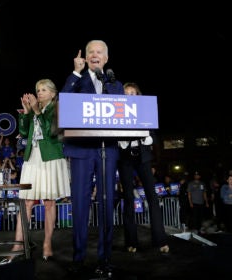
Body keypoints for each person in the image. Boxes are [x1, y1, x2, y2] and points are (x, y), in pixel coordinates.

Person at [61, 40, 124, 273]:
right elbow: (64, 101)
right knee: (80, 204)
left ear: (106, 59)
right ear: (85, 57)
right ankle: (78, 258)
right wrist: (75, 72)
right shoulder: (77, 80)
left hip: (108, 150)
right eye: (91, 52)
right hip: (81, 149)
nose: (95, 55)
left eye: (99, 52)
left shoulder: (115, 84)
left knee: (107, 202)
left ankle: (104, 257)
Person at [0, 79, 71, 265]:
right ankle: (18, 245)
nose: (39, 93)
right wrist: (26, 112)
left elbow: (51, 131)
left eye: (44, 90)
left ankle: (47, 244)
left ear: (53, 94)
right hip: (33, 158)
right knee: (27, 202)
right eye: (38, 90)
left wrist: (37, 112)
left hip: (51, 158)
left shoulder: (57, 108)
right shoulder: (35, 109)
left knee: (48, 202)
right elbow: (24, 132)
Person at [118, 82, 169, 255]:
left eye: (133, 93)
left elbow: (152, 136)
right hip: (125, 159)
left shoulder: (145, 110)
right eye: (126, 93)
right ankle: (131, 242)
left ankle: (161, 240)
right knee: (128, 199)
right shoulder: (116, 111)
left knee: (152, 197)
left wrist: (146, 136)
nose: (130, 95)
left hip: (144, 157)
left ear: (138, 95)